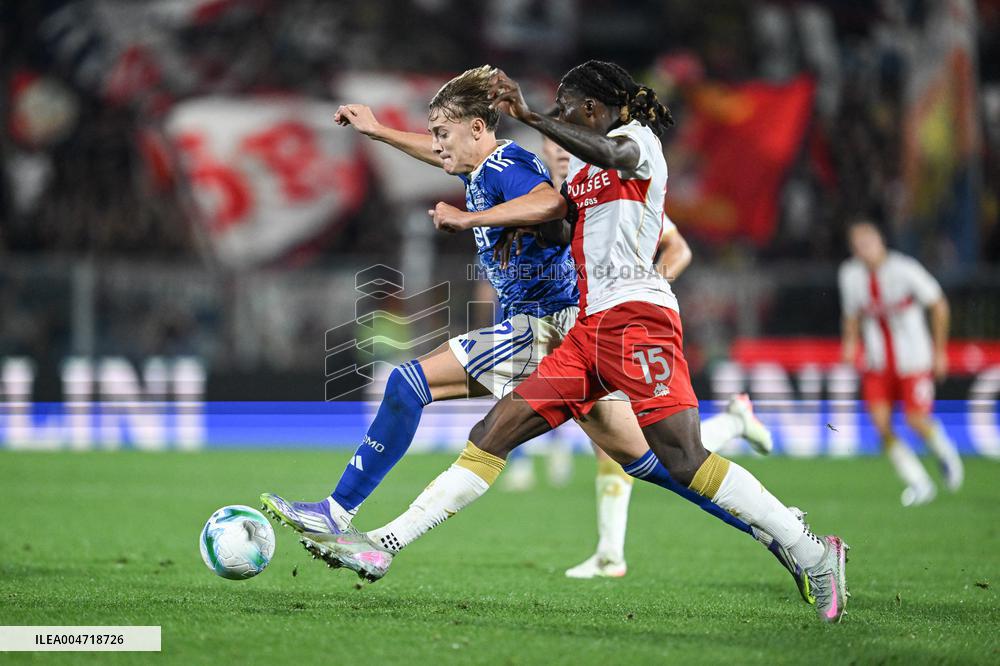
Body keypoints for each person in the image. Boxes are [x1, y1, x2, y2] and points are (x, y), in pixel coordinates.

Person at [303, 61, 848, 624]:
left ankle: (809, 549)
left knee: (682, 458)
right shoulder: (580, 173)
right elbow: (555, 217)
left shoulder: (637, 142)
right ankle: (383, 546)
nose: (556, 121)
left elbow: (609, 164)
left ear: (591, 108)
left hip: (639, 318)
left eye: (565, 109)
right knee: (495, 432)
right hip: (589, 326)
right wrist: (510, 222)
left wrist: (519, 141)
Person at [535, 137, 774, 580]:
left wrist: (641, 289)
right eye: (555, 143)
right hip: (578, 334)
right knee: (623, 447)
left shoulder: (611, 194)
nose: (565, 150)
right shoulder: (546, 198)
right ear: (544, 149)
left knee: (647, 449)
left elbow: (678, 248)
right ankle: (734, 425)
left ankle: (612, 553)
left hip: (623, 330)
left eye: (571, 142)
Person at [839, 219, 963, 506]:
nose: (863, 250)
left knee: (916, 419)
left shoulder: (905, 269)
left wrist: (940, 351)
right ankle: (919, 482)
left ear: (880, 241)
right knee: (881, 426)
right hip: (877, 364)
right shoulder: (849, 275)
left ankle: (944, 451)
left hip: (914, 361)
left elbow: (938, 304)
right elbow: (852, 315)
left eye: (867, 242)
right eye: (857, 245)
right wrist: (850, 345)